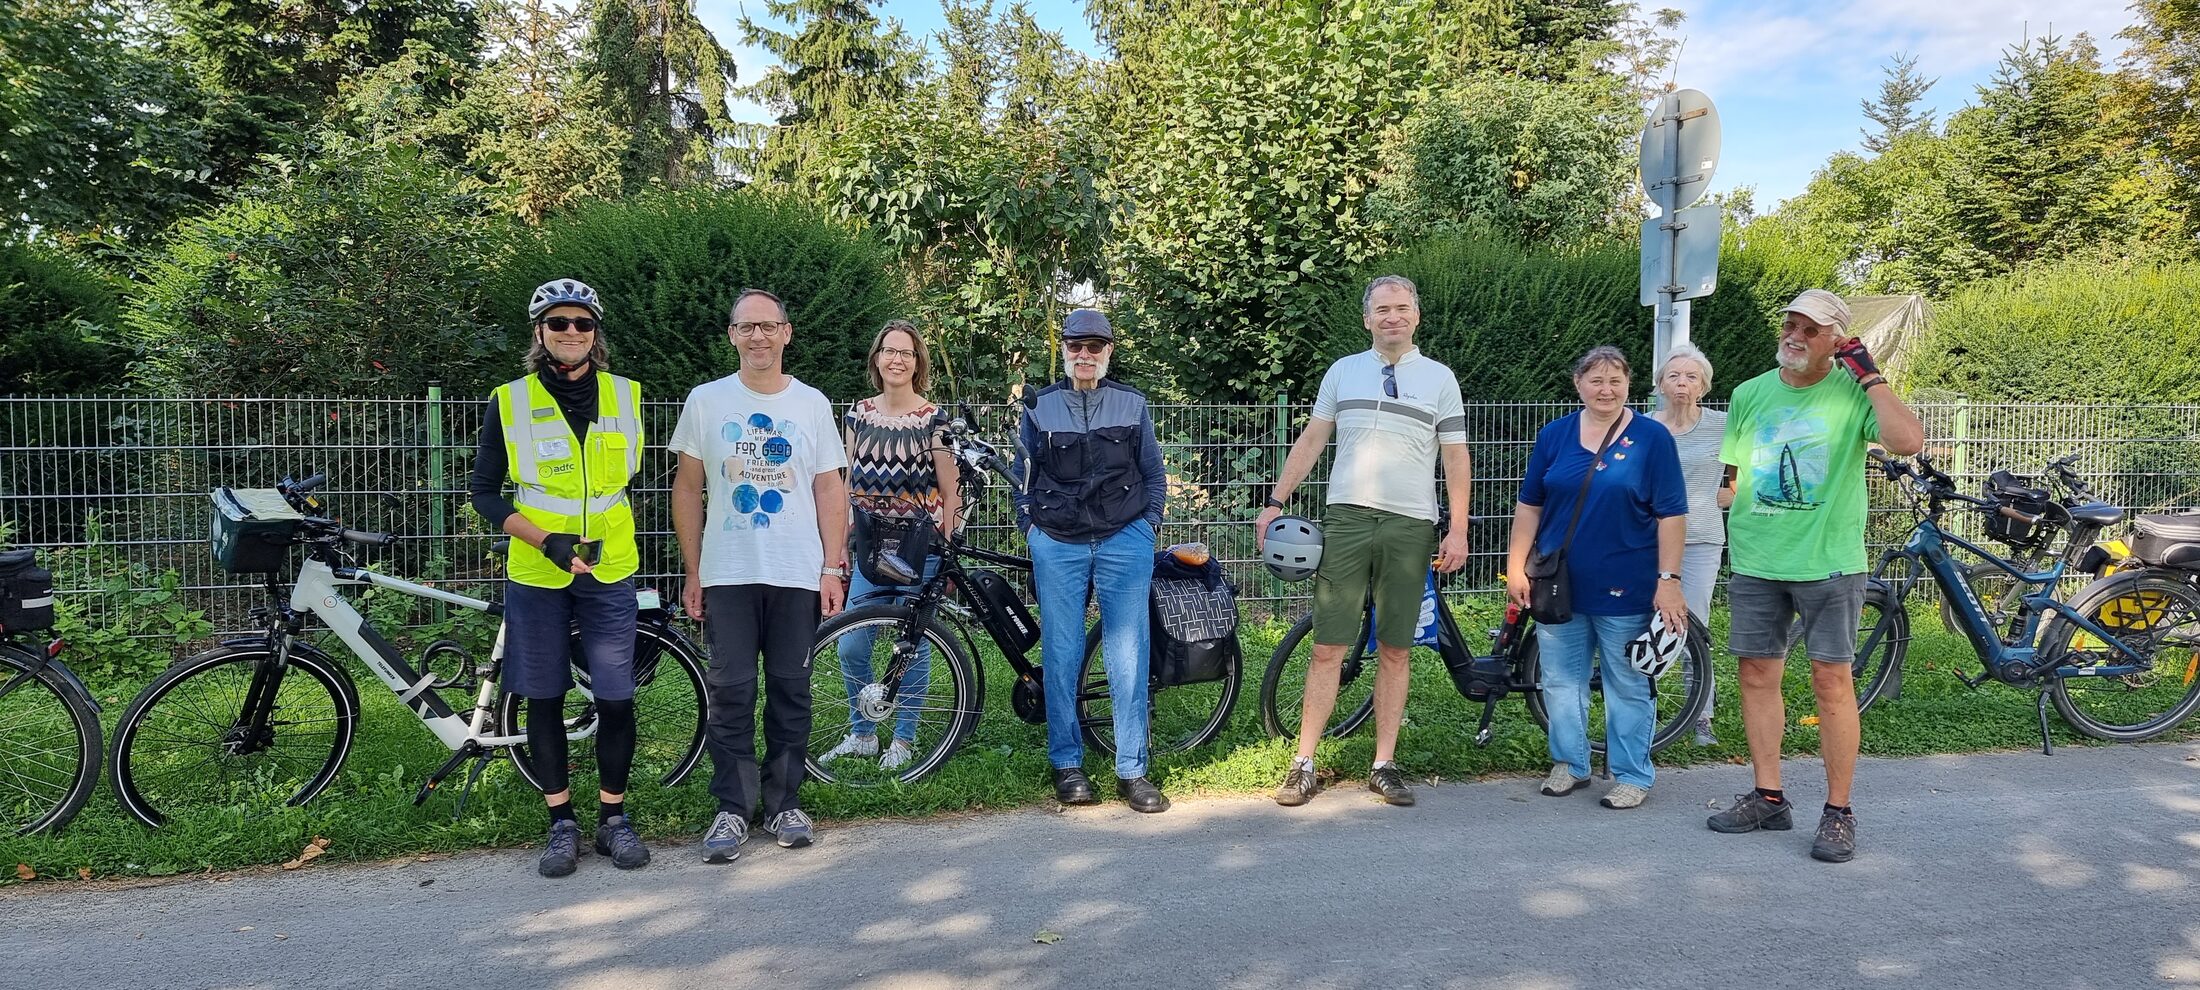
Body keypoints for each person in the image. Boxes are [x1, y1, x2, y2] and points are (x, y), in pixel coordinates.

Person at [1707, 289, 1923, 863]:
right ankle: (1769, 795)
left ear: (1837, 340)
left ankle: (1839, 811)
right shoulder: (1750, 393)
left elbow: (1908, 442)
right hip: (1757, 558)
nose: (1794, 335)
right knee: (1756, 674)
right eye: (1790, 323)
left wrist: (1872, 377)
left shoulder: (1854, 393)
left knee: (1832, 681)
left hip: (1828, 562)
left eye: (1810, 328)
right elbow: (1732, 475)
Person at [1257, 274, 1471, 808]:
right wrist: (1276, 499)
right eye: (1382, 309)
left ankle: (1384, 763)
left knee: (1396, 649)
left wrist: (1460, 526)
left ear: (1416, 315)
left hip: (1410, 524)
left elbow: (1455, 457)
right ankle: (1303, 762)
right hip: (1348, 520)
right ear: (1367, 318)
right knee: (1329, 645)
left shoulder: (1440, 379)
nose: (1392, 317)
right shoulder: (1343, 371)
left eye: (1401, 308)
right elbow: (1312, 438)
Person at [469, 278, 650, 877]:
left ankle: (614, 821)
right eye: (558, 323)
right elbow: (484, 494)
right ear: (540, 333)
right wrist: (546, 540)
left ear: (596, 334)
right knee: (543, 695)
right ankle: (560, 824)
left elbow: (619, 484)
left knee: (616, 695)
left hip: (609, 566)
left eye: (582, 323)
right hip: (537, 568)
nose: (571, 333)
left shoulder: (627, 395)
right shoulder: (509, 400)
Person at [671, 288, 851, 864]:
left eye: (768, 326)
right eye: (747, 327)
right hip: (727, 571)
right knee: (730, 691)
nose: (758, 337)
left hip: (796, 571)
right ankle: (731, 806)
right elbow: (686, 487)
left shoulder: (812, 404)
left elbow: (830, 489)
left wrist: (831, 565)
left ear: (786, 332)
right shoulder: (706, 401)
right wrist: (693, 569)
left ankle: (784, 802)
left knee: (790, 690)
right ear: (732, 335)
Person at [1505, 346, 1689, 810]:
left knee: (1626, 682)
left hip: (1628, 581)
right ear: (1578, 384)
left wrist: (1669, 578)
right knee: (1561, 680)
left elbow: (1672, 514)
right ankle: (1570, 762)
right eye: (1596, 381)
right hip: (1558, 582)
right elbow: (1531, 505)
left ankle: (1631, 774)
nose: (1606, 390)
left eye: (1615, 381)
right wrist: (1515, 564)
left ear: (1629, 385)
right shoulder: (1554, 435)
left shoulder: (1652, 439)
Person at [1012, 308, 1170, 813]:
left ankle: (1132, 770)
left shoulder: (1131, 403)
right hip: (1058, 541)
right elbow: (1022, 477)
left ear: (1108, 352)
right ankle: (1068, 764)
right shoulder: (1040, 407)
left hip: (1125, 538)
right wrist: (1032, 531)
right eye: (1076, 346)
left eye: (1094, 346)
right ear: (1063, 350)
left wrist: (1147, 529)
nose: (1085, 355)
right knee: (1063, 651)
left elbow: (1153, 474)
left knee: (1128, 653)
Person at [819, 320, 961, 772]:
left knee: (912, 644)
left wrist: (949, 547)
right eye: (889, 351)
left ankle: (904, 738)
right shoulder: (858, 416)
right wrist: (837, 546)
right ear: (876, 359)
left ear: (917, 362)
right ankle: (862, 732)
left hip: (923, 549)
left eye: (906, 353)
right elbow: (844, 486)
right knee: (851, 645)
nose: (896, 359)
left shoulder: (934, 420)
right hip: (871, 548)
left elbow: (952, 491)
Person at [1648, 344, 1733, 747]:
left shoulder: (1725, 425)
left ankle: (1701, 716)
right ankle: (1643, 713)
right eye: (1674, 376)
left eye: (1691, 377)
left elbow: (1743, 474)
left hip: (1700, 539)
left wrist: (1729, 495)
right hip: (1648, 540)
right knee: (1640, 623)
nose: (1682, 383)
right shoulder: (1644, 426)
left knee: (1693, 623)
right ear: (1660, 383)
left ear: (1703, 385)